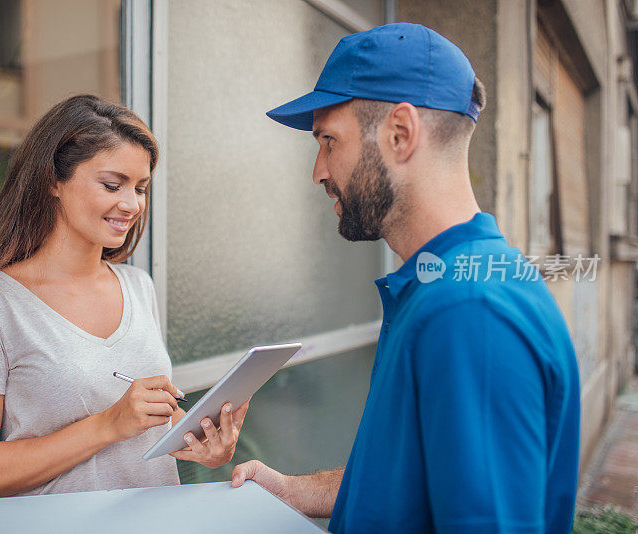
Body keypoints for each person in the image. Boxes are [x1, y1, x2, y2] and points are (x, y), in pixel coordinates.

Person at [231, 23, 580, 533]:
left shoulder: (468, 313)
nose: (318, 171)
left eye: (329, 141)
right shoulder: (444, 285)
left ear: (400, 133)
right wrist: (294, 492)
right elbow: (413, 469)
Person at [0, 95, 248, 500]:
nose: (132, 204)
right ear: (53, 179)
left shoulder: (138, 287)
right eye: (111, 184)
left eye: (140, 188)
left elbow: (153, 424)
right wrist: (108, 425)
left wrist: (203, 444)